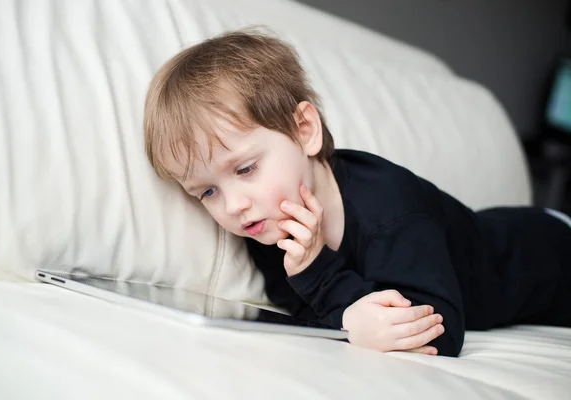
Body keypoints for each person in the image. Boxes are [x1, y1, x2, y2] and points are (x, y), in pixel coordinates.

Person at [143, 30, 571, 357]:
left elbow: (438, 331)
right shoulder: (266, 221)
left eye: (246, 168)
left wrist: (324, 282)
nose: (234, 205)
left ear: (303, 130)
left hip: (546, 256)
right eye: (208, 192)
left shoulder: (390, 210)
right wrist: (333, 300)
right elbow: (313, 314)